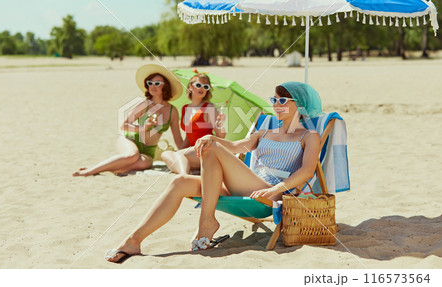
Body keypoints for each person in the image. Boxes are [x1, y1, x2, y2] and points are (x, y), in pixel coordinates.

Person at [105, 81, 322, 263]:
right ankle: (134, 240)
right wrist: (213, 137)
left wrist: (276, 188)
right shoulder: (264, 130)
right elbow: (236, 147)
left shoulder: (309, 135)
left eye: (283, 100)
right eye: (274, 100)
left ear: (299, 104)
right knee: (179, 181)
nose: (276, 105)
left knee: (210, 148)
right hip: (246, 184)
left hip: (272, 192)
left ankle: (207, 222)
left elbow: (307, 170)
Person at [73, 64, 184, 177]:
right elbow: (124, 125)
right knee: (132, 155)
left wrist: (186, 154)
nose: (152, 86)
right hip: (130, 139)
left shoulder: (172, 111)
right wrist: (143, 128)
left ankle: (107, 169)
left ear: (165, 87)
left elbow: (178, 139)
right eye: (150, 83)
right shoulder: (144, 105)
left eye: (157, 83)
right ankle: (90, 171)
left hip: (148, 151)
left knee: (145, 164)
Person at [161, 72, 226, 174]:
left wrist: (220, 124)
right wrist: (180, 150)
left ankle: (184, 175)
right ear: (190, 87)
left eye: (206, 86)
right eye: (198, 85)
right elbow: (189, 135)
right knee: (168, 155)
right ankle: (185, 174)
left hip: (206, 149)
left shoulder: (209, 108)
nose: (202, 88)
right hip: (193, 151)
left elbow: (221, 136)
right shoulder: (185, 108)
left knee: (170, 155)